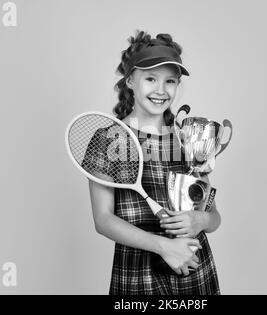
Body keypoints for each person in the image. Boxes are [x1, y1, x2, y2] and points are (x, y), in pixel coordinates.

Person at [88, 30, 221, 295]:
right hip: (138, 275)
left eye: (170, 81)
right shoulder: (107, 139)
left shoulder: (189, 139)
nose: (161, 90)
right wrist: (164, 247)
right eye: (150, 79)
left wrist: (200, 220)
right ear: (129, 82)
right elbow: (103, 220)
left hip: (194, 270)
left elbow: (215, 217)